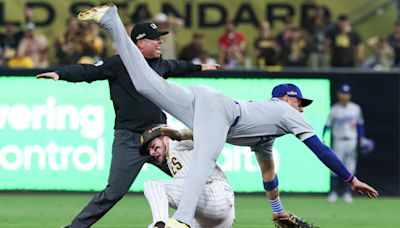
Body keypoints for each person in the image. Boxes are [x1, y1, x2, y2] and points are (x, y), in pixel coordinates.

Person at [77, 4, 379, 227]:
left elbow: (268, 175)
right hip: (218, 110)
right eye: (301, 101)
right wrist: (350, 178)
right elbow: (320, 149)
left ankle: (111, 19)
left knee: (143, 83)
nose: (302, 108)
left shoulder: (267, 134)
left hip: (204, 107)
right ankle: (181, 221)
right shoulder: (286, 111)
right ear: (287, 98)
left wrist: (277, 210)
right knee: (205, 161)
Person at [36, 20, 218, 228]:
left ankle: (208, 223)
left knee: (197, 178)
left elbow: (179, 66)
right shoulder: (119, 63)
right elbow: (89, 72)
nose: (160, 42)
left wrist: (201, 67)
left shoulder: (160, 64)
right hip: (129, 140)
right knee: (113, 192)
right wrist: (61, 74)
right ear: (140, 43)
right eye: (155, 38)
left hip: (160, 138)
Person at [140, 125, 235, 228]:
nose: (151, 152)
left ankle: (160, 224)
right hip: (212, 216)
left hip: (215, 194)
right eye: (149, 150)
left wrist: (185, 135)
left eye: (153, 146)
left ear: (165, 138)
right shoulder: (171, 159)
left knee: (152, 186)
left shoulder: (175, 144)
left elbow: (209, 135)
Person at [323, 84, 366, 204]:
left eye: (347, 94)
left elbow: (360, 125)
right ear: (338, 94)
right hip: (339, 141)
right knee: (335, 167)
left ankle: (347, 193)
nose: (344, 96)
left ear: (350, 95)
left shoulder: (355, 108)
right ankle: (333, 193)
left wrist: (362, 138)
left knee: (350, 167)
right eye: (342, 93)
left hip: (352, 140)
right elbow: (327, 125)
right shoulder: (334, 109)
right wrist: (323, 138)